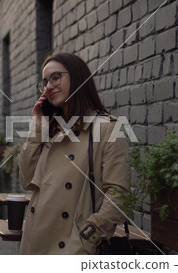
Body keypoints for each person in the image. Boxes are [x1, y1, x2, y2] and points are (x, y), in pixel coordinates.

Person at [18, 52, 130, 254]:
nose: (49, 86)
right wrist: (37, 127)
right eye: (45, 82)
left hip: (72, 247)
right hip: (36, 243)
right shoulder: (51, 129)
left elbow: (118, 194)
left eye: (56, 77)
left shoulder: (107, 128)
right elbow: (26, 180)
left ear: (77, 77)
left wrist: (88, 237)